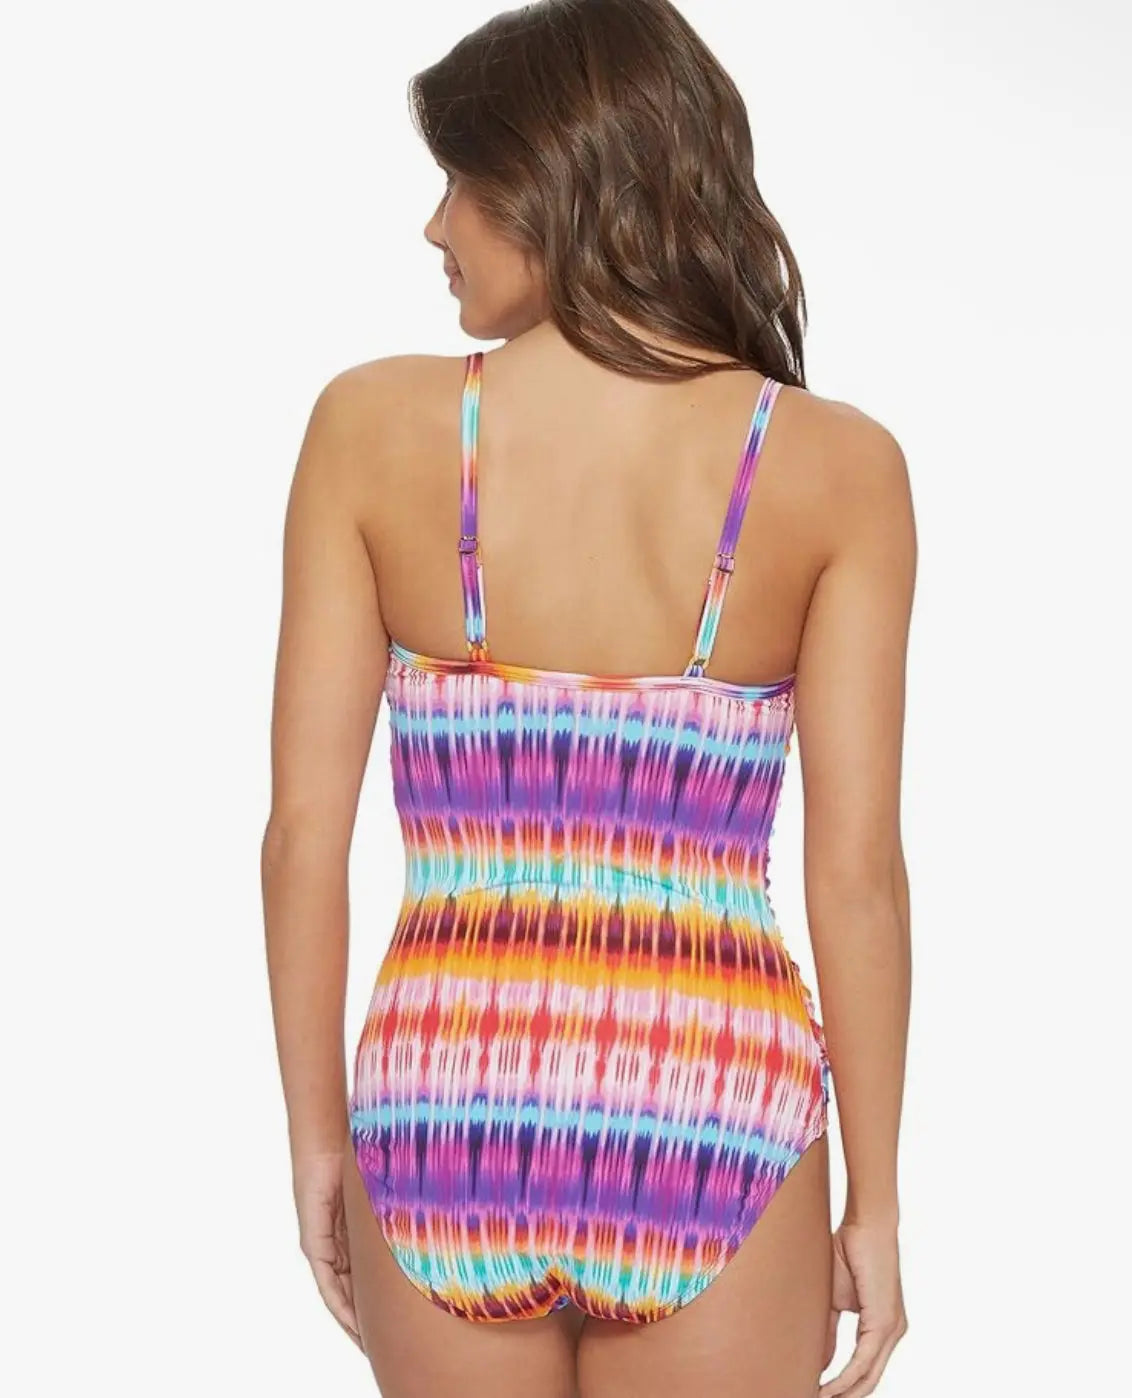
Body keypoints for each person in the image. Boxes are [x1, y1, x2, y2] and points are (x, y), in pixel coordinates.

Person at [262, 2, 915, 1395]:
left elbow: (301, 839)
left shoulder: (369, 429)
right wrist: (876, 1197)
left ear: (552, 183)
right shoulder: (834, 467)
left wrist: (318, 1139)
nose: (435, 227)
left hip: (448, 1102)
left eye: (460, 182)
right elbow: (856, 877)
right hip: (712, 1105)